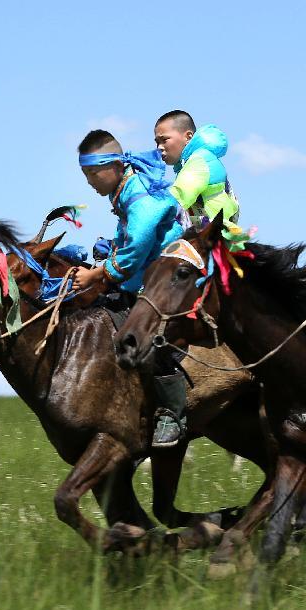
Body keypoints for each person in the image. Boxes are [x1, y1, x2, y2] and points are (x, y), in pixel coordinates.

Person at [71, 129, 188, 448]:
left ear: (113, 166)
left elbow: (138, 244)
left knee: (150, 332)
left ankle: (172, 414)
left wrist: (97, 274)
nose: (89, 181)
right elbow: (128, 239)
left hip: (165, 269)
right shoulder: (123, 188)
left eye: (92, 173)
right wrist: (108, 251)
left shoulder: (137, 191)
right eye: (85, 175)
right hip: (145, 268)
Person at [153, 110, 247, 248]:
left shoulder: (199, 160)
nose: (159, 147)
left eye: (164, 139)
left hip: (214, 243)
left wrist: (143, 211)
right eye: (157, 142)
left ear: (188, 137)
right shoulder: (192, 162)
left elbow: (178, 197)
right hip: (211, 238)